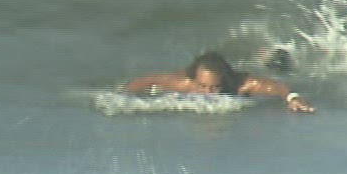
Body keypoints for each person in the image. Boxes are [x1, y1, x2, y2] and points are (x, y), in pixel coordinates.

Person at [122, 51, 315, 112]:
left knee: (280, 66)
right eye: (203, 86)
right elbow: (145, 81)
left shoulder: (242, 83)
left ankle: (273, 55)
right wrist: (124, 96)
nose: (208, 93)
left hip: (253, 71)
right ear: (194, 80)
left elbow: (278, 87)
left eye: (215, 87)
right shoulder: (183, 83)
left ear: (225, 80)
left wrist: (293, 98)